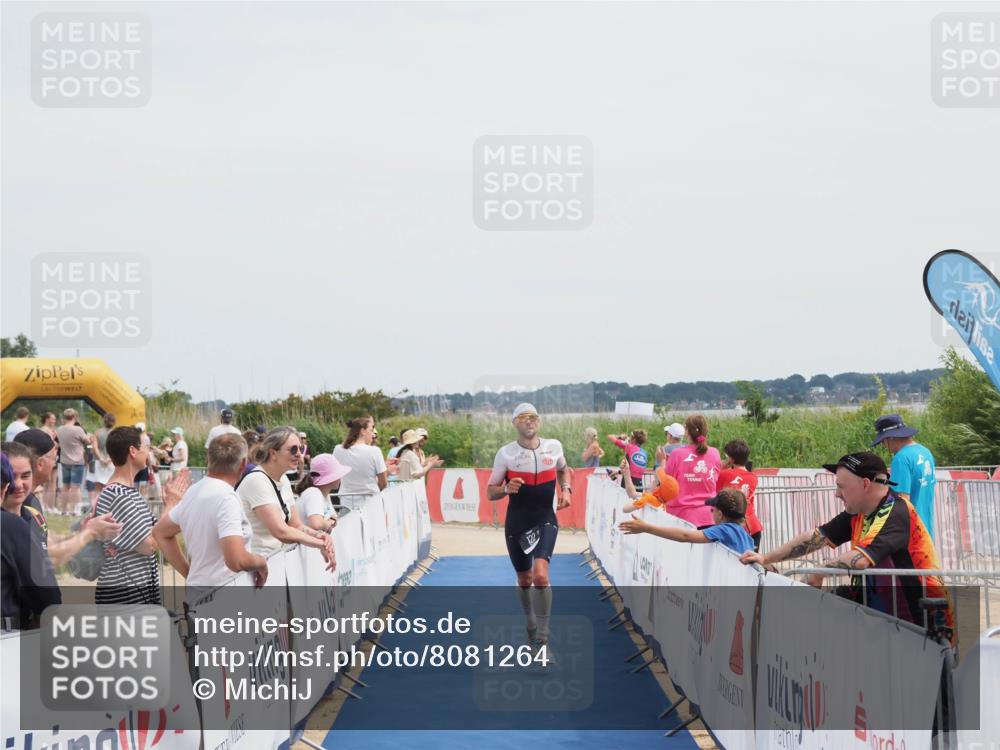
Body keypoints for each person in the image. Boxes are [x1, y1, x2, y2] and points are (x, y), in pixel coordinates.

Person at [740, 452, 951, 629]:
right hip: (886, 619)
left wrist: (819, 571)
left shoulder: (896, 512)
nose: (836, 494)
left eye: (841, 487)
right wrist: (765, 556)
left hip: (922, 622)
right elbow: (818, 537)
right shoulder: (859, 510)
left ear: (865, 484)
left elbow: (860, 559)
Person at [487, 403, 572, 655]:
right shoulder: (506, 454)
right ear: (515, 423)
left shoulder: (553, 446)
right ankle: (531, 625)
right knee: (524, 579)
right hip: (518, 520)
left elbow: (563, 469)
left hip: (545, 517)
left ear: (539, 422)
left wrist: (566, 489)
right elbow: (491, 492)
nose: (529, 421)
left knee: (541, 576)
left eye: (533, 417)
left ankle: (542, 638)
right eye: (523, 418)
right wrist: (505, 489)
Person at [153, 434, 269, 591]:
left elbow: (161, 532)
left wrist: (190, 573)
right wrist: (261, 562)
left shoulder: (194, 490)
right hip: (223, 596)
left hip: (199, 591)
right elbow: (236, 560)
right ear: (243, 463)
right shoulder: (227, 497)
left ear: (208, 458)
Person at [12, 429, 122, 565]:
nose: (55, 463)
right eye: (55, 457)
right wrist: (90, 532)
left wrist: (83, 531)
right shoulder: (17, 505)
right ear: (40, 463)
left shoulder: (30, 500)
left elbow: (46, 540)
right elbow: (50, 557)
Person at [236, 427, 335, 568]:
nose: (299, 455)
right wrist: (320, 544)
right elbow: (280, 531)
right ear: (273, 453)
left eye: (300, 449)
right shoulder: (256, 481)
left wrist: (319, 535)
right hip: (254, 566)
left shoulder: (283, 480)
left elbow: (295, 525)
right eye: (293, 450)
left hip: (273, 561)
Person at [95, 427, 173, 604]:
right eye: (146, 446)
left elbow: (156, 529)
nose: (149, 450)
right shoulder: (118, 495)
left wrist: (171, 505)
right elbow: (149, 545)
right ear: (133, 451)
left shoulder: (129, 492)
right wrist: (171, 507)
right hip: (125, 598)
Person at [1, 451, 61, 630]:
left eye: (26, 475)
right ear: (5, 487)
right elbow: (48, 598)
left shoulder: (30, 515)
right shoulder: (10, 525)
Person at [620, 488, 755, 554]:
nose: (711, 511)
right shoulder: (746, 536)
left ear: (720, 514)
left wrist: (646, 528)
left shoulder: (724, 530)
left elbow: (685, 536)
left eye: (712, 509)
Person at [872, 414, 937, 540]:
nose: (884, 446)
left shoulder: (901, 459)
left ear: (890, 438)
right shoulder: (925, 452)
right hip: (926, 531)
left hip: (909, 534)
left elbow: (901, 501)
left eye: (883, 441)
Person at [663, 415, 721, 528]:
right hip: (710, 518)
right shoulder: (714, 453)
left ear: (687, 432)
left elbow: (666, 484)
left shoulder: (677, 454)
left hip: (681, 519)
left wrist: (661, 463)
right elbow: (715, 479)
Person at [718, 439, 763, 551]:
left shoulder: (723, 475)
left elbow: (717, 496)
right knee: (752, 565)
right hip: (753, 526)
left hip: (734, 527)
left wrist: (721, 468)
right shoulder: (753, 477)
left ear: (731, 459)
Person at [333, 416, 388, 505]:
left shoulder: (338, 449)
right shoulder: (374, 451)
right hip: (370, 503)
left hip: (346, 502)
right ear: (362, 431)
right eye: (371, 430)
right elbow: (383, 483)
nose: (373, 434)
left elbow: (335, 476)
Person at [295, 453, 351, 532]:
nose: (340, 477)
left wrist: (330, 521)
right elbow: (317, 524)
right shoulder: (314, 493)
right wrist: (329, 523)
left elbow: (333, 517)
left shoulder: (324, 494)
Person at [56, 409, 90, 515]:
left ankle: (64, 510)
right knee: (76, 487)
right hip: (77, 461)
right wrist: (89, 437)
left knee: (65, 486)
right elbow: (87, 441)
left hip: (65, 460)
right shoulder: (78, 430)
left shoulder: (59, 429)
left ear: (64, 417)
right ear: (75, 417)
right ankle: (76, 510)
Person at [91, 412, 117, 492]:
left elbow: (95, 447)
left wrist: (101, 458)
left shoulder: (97, 432)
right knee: (111, 487)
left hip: (99, 462)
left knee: (98, 489)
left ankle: (98, 504)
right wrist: (109, 459)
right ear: (114, 421)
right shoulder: (116, 433)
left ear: (104, 421)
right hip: (112, 462)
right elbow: (116, 448)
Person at [39, 412, 59, 511]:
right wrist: (55, 440)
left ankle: (48, 505)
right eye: (53, 419)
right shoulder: (45, 430)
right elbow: (50, 445)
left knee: (50, 482)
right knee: (49, 482)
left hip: (49, 458)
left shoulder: (48, 430)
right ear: (47, 419)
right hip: (48, 458)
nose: (54, 421)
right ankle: (48, 505)